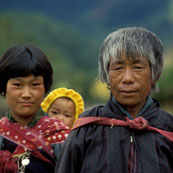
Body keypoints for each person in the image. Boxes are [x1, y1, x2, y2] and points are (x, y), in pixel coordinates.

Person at [55, 27, 173, 173]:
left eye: (137, 67)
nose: (127, 78)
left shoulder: (168, 129)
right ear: (107, 75)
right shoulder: (86, 128)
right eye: (118, 68)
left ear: (154, 74)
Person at [0, 45, 70, 173]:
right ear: (4, 88)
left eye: (35, 85)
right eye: (17, 85)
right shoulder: (1, 133)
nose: (26, 94)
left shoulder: (61, 138)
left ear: (45, 88)